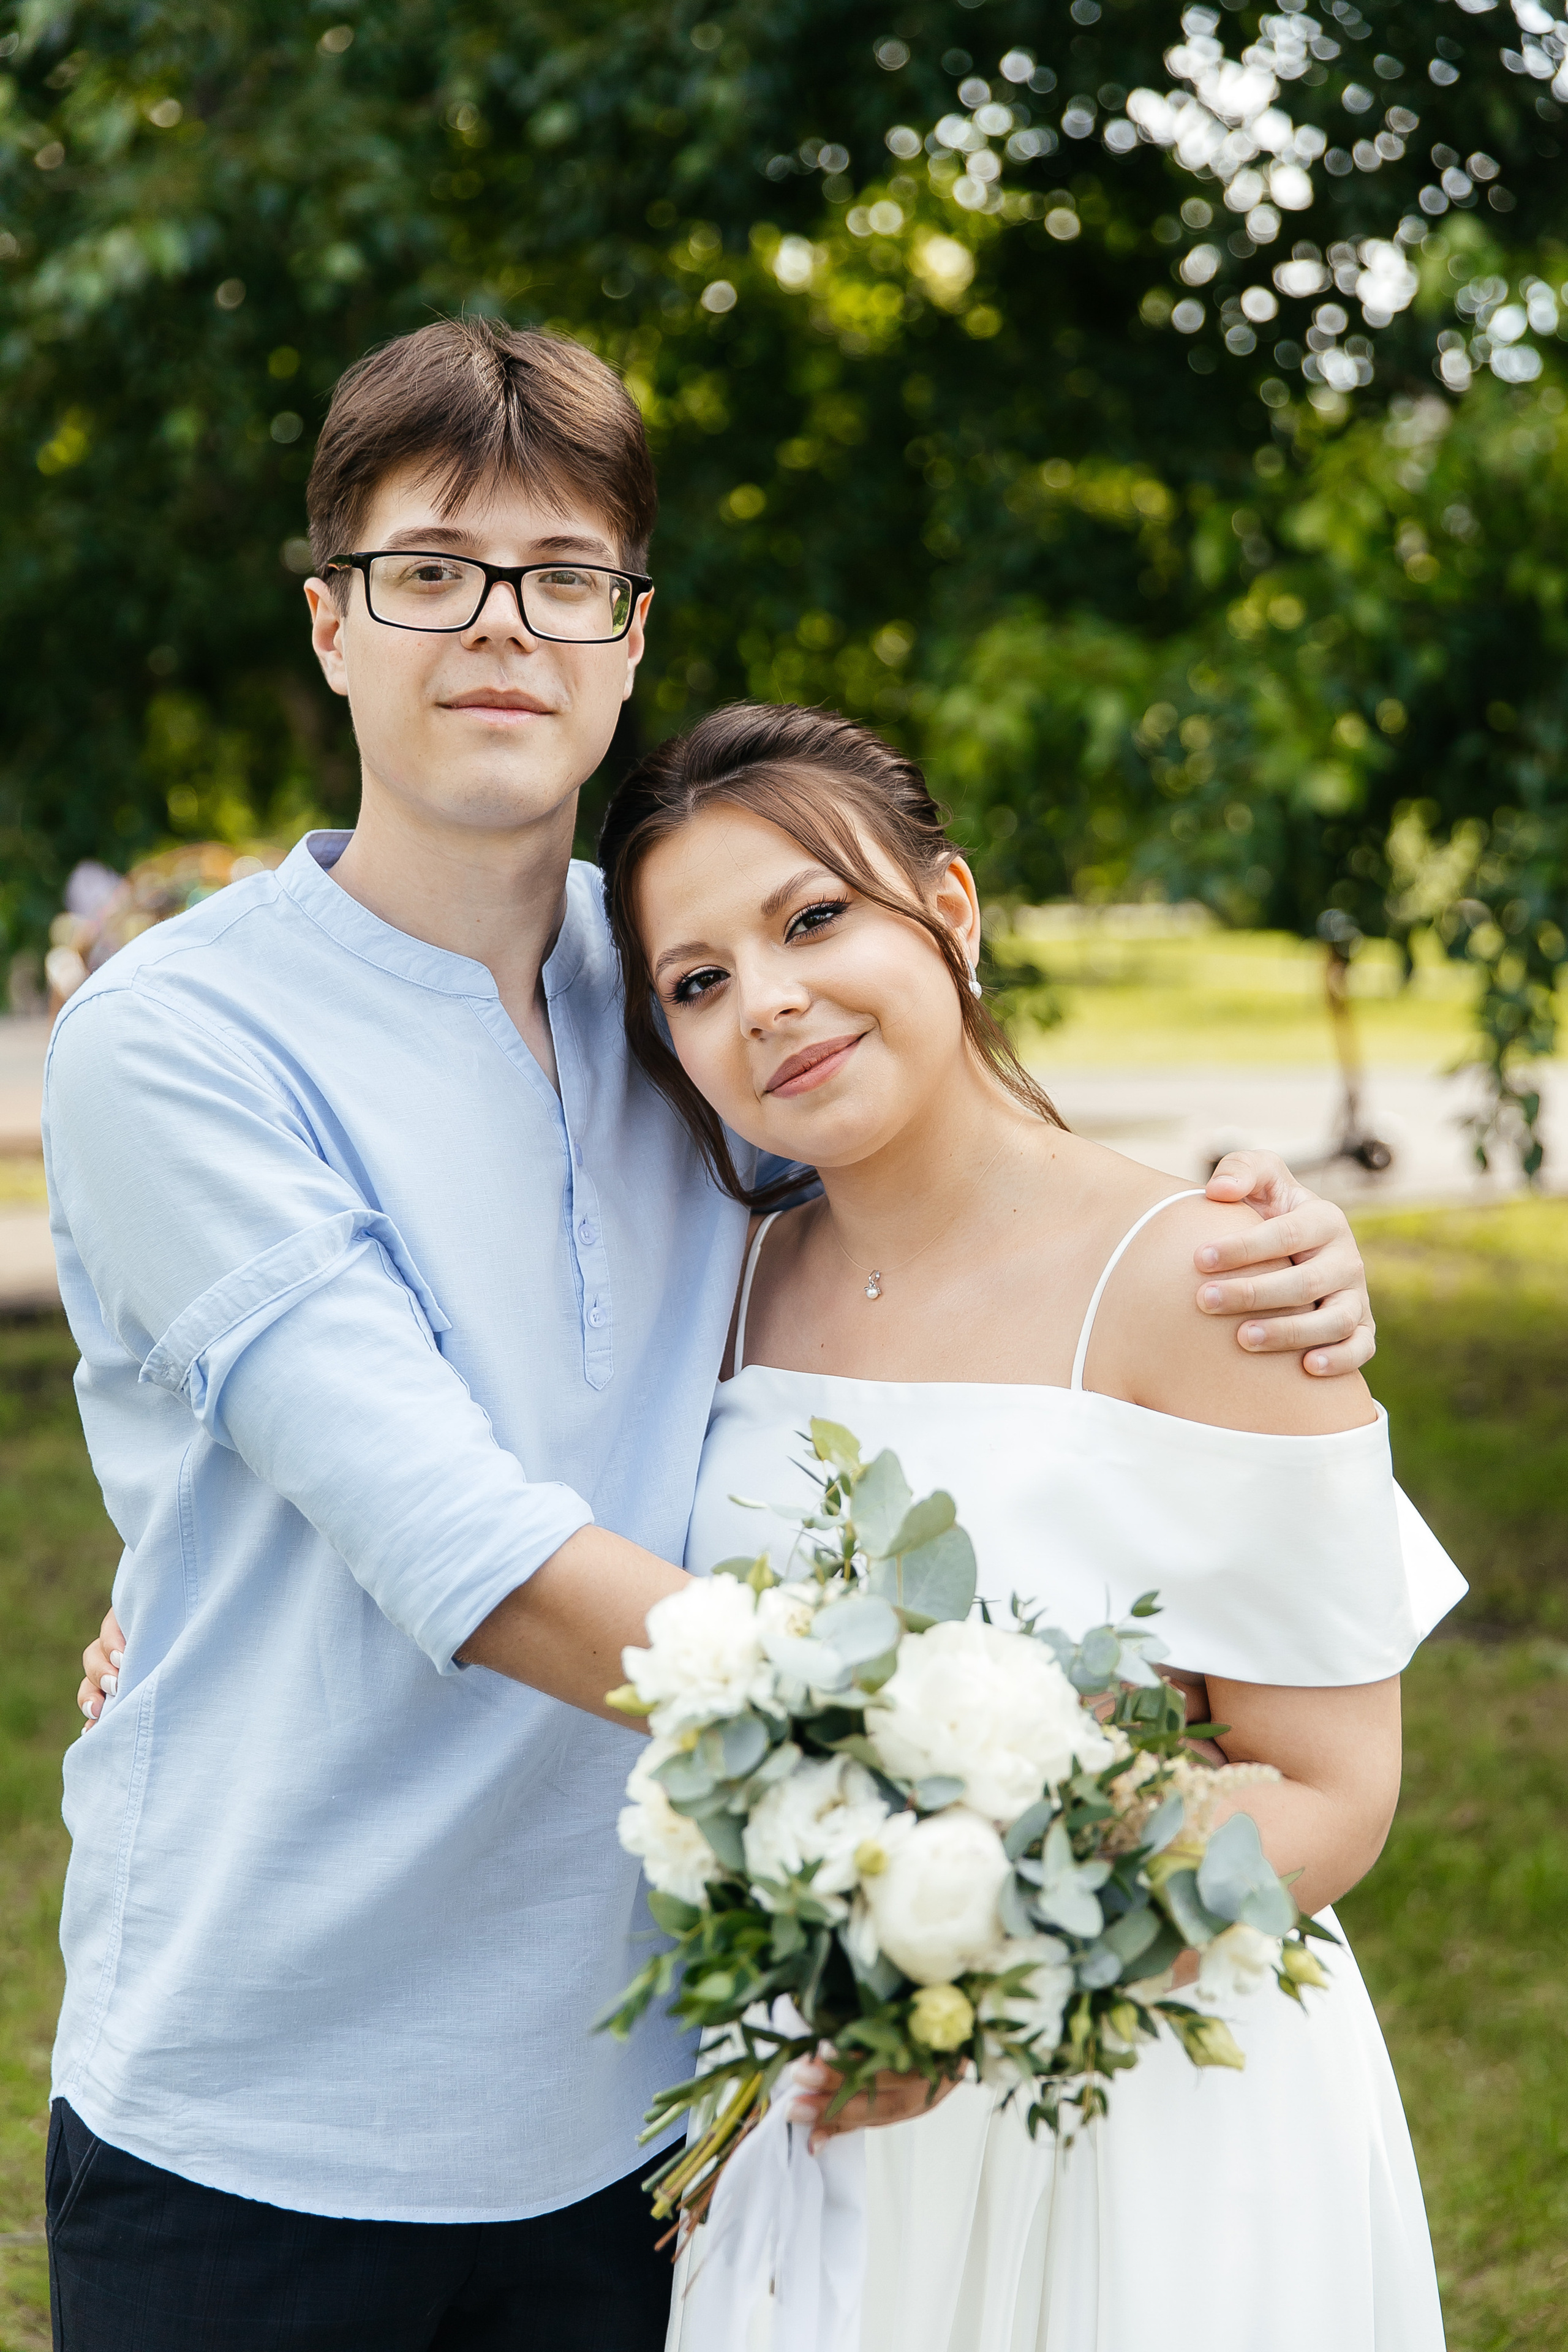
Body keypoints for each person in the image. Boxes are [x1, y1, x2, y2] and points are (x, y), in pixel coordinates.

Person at [57, 316, 1376, 2350]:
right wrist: (950, 1789)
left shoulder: (687, 992)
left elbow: (956, 1232)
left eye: (563, 580)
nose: (501, 627)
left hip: (663, 2121)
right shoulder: (177, 1038)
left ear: (630, 637)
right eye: (431, 573)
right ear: (332, 628)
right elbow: (453, 1537)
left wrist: (1262, 1252)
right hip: (275, 2111)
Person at [593, 701, 1463, 2351]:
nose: (768, 1000)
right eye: (696, 982)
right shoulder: (720, 1292)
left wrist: (984, 1976)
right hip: (818, 2103)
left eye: (815, 918)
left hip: (1139, 2110)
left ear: (955, 909)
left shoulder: (1215, 1276)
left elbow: (1339, 1796)